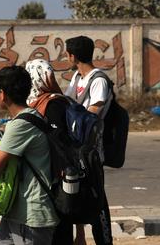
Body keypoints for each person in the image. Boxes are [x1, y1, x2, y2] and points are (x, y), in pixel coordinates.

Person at [0, 66, 58, 245]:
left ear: (2, 94)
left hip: (31, 215)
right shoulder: (32, 117)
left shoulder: (21, 124)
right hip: (16, 212)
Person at [64, 36, 114, 245]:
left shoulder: (98, 80)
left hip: (93, 150)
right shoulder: (77, 78)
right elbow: (67, 103)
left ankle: (104, 239)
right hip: (77, 148)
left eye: (67, 54)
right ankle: (81, 237)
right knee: (77, 193)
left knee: (97, 198)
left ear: (72, 56)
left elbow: (94, 111)